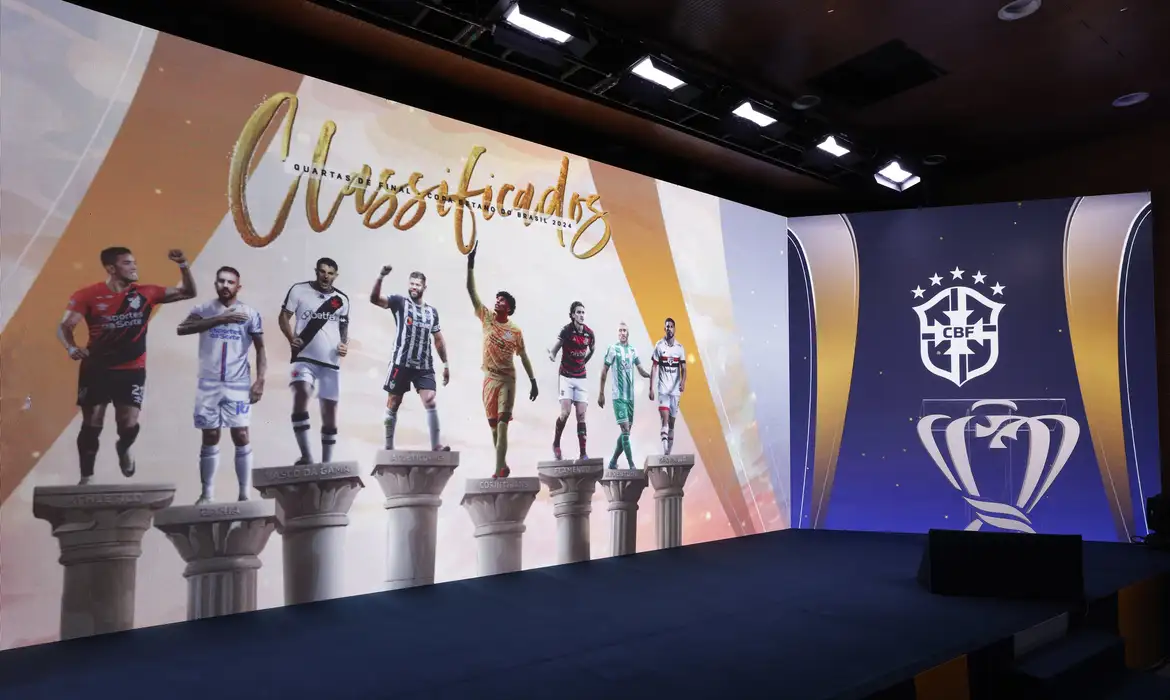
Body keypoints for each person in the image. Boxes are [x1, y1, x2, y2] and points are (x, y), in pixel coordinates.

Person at [58, 247, 196, 484]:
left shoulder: (146, 293)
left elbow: (188, 292)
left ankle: (124, 446)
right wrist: (71, 347)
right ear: (111, 268)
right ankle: (87, 478)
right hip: (97, 368)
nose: (134, 267)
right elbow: (65, 327)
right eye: (127, 263)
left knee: (128, 424)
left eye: (134, 262)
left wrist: (183, 264)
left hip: (132, 369)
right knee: (92, 422)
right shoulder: (87, 295)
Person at [177, 266, 266, 503]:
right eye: (221, 281)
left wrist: (260, 380)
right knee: (210, 434)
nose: (225, 285)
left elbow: (260, 348)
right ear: (215, 284)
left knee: (241, 434)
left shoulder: (249, 313)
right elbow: (181, 329)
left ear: (238, 286)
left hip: (238, 383)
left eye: (230, 282)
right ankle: (206, 494)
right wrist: (220, 319)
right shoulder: (204, 309)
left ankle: (244, 495)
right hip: (209, 382)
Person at [466, 242, 538, 478]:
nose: (497, 301)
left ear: (509, 308)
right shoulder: (486, 318)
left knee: (503, 424)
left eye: (502, 300)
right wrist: (470, 265)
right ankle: (503, 465)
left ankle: (497, 470)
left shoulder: (515, 330)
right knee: (494, 429)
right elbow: (471, 292)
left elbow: (524, 356)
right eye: (496, 298)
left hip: (508, 380)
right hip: (489, 379)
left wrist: (533, 381)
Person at [370, 264, 450, 451]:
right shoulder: (400, 302)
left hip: (423, 366)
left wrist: (446, 364)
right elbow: (374, 299)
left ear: (424, 287)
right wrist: (381, 277)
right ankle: (388, 447)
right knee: (393, 403)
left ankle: (436, 446)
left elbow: (438, 340)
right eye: (411, 284)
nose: (414, 287)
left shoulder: (431, 312)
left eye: (417, 284)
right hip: (401, 363)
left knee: (430, 401)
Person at [279, 258, 350, 465]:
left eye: (330, 273)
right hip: (304, 358)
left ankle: (326, 465)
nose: (326, 276)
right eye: (322, 271)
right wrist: (291, 339)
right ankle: (306, 456)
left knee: (329, 413)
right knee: (301, 393)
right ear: (316, 272)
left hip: (330, 362)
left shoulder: (341, 300)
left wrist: (344, 345)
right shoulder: (299, 290)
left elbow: (343, 328)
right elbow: (283, 317)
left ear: (336, 275)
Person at [598, 322, 651, 469]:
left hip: (630, 398)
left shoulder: (633, 350)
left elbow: (640, 370)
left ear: (628, 333)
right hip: (618, 397)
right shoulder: (613, 349)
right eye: (620, 330)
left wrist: (650, 375)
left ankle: (613, 462)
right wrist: (601, 393)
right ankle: (631, 465)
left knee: (625, 433)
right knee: (626, 431)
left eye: (624, 330)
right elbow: (604, 370)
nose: (622, 333)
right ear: (618, 333)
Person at [548, 301, 595, 460]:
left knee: (581, 415)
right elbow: (555, 349)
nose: (581, 315)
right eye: (578, 312)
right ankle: (556, 444)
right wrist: (552, 355)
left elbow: (592, 350)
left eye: (583, 312)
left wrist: (583, 362)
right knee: (565, 413)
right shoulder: (567, 331)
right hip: (566, 377)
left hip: (581, 378)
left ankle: (583, 454)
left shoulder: (589, 333)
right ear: (573, 315)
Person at [649, 317, 687, 456]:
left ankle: (668, 454)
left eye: (671, 326)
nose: (669, 328)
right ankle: (665, 450)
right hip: (663, 389)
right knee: (664, 419)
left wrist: (683, 382)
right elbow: (654, 367)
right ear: (664, 329)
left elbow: (684, 368)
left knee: (672, 423)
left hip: (675, 391)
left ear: (674, 329)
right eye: (667, 326)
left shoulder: (680, 348)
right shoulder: (659, 346)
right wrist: (651, 388)